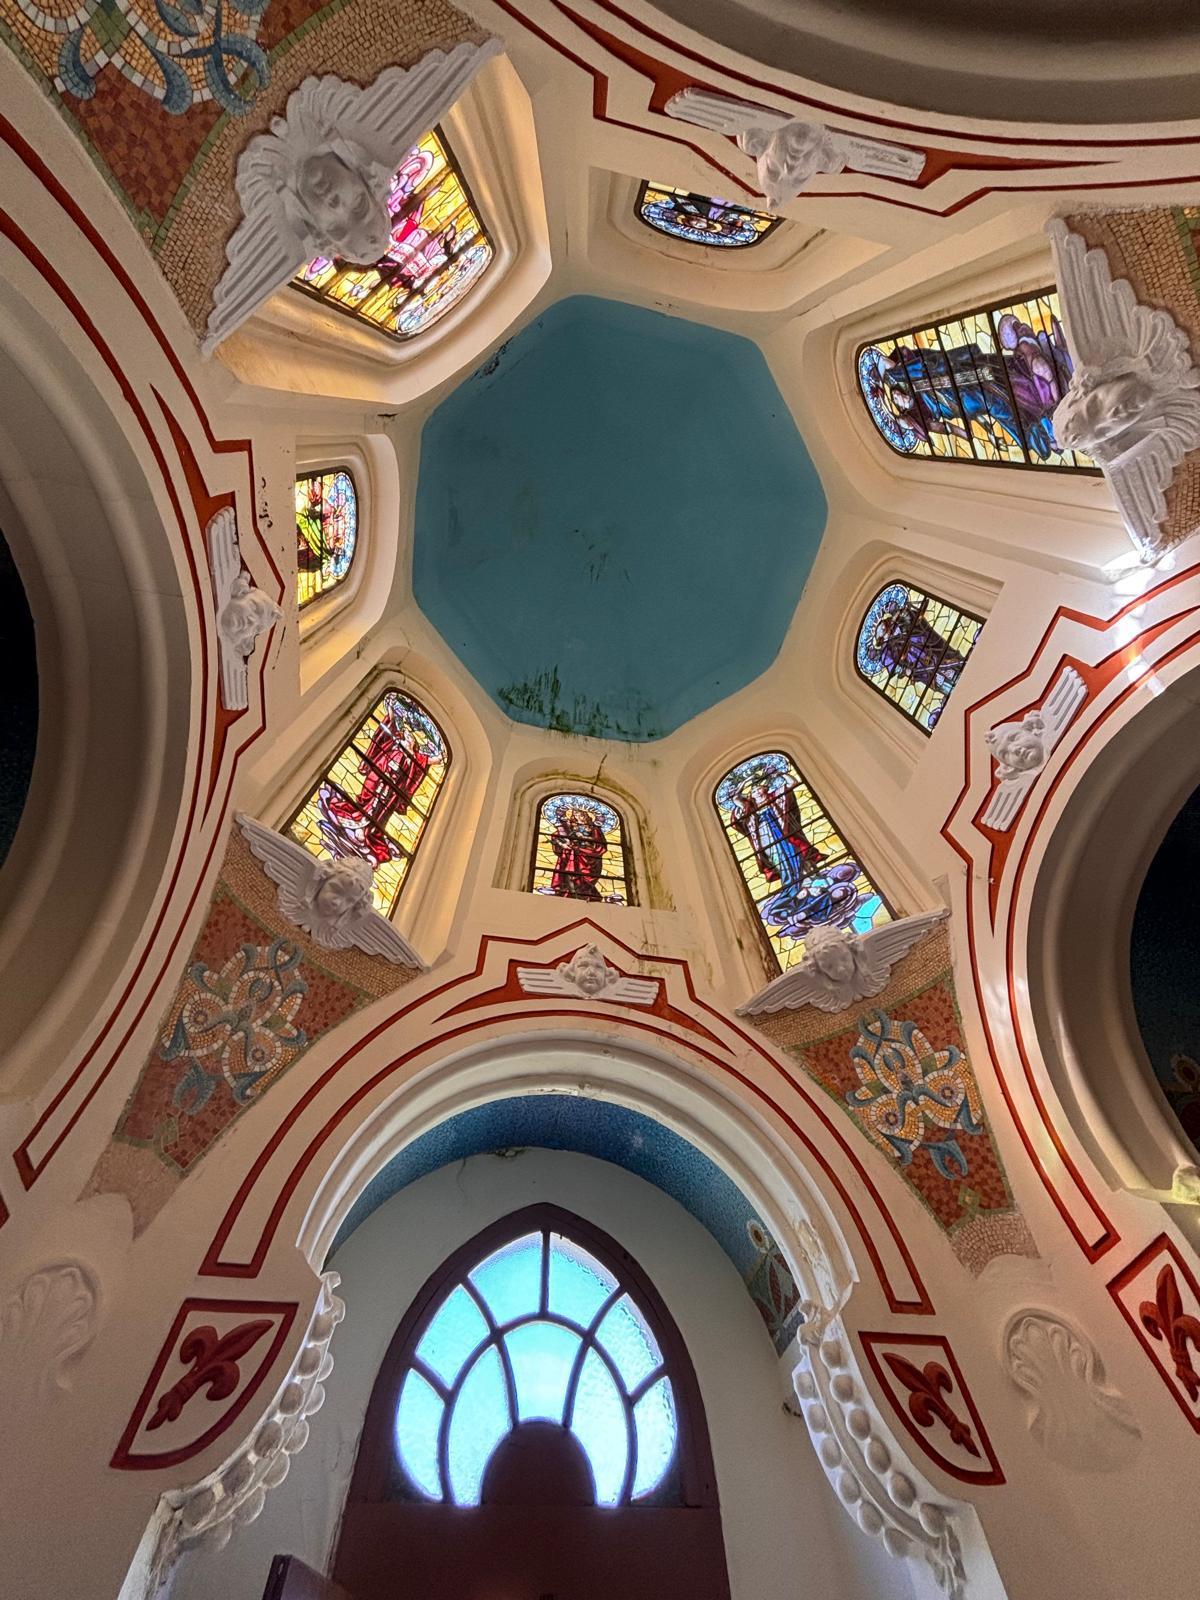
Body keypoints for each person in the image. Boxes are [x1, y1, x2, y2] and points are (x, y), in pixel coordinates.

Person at [319, 702, 433, 866]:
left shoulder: (413, 760)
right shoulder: (394, 746)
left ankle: (366, 834)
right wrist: (393, 710)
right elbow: (387, 733)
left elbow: (427, 762)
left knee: (380, 814)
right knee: (368, 803)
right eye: (407, 737)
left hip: (390, 793)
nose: (408, 740)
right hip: (378, 780)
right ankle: (357, 826)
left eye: (410, 740)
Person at [730, 780, 820, 913]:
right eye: (753, 791)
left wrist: (777, 775)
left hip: (783, 832)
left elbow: (792, 782)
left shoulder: (775, 797)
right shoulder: (749, 807)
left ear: (765, 788)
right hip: (765, 836)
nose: (756, 792)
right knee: (778, 860)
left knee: (795, 853)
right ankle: (790, 885)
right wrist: (745, 782)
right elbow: (736, 798)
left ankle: (808, 879)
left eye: (758, 788)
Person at [549, 805, 607, 900]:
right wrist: (562, 840)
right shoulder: (570, 826)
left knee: (584, 874)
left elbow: (600, 844)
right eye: (576, 815)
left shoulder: (594, 828)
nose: (579, 817)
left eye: (581, 815)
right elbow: (557, 835)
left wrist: (583, 838)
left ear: (586, 816)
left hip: (589, 853)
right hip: (573, 852)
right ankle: (571, 891)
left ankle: (584, 892)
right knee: (570, 868)